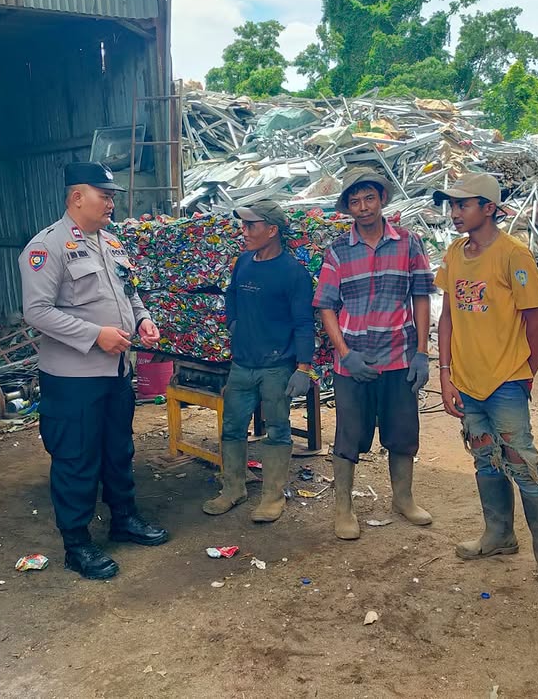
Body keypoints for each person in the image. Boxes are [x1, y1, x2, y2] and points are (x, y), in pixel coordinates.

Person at [19, 162, 169, 580]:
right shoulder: (45, 247)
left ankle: (124, 519)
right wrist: (94, 334)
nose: (111, 201)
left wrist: (143, 320)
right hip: (73, 380)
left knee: (118, 450)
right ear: (76, 198)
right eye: (103, 194)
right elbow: (37, 312)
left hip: (117, 371)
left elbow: (130, 294)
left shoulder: (112, 243)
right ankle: (77, 544)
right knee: (76, 458)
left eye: (113, 195)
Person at [432, 173, 538, 592]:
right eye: (452, 206)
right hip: (468, 381)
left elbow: (537, 324)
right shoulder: (456, 254)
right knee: (484, 457)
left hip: (507, 380)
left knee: (522, 462)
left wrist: (526, 375)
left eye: (464, 205)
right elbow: (449, 317)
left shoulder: (514, 255)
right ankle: (499, 535)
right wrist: (445, 374)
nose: (455, 213)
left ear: (488, 208)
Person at [313, 167, 434, 541]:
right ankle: (344, 507)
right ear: (347, 208)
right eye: (354, 201)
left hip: (398, 357)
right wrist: (345, 353)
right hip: (354, 363)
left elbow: (421, 296)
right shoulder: (338, 251)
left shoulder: (409, 243)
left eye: (369, 198)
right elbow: (326, 306)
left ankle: (404, 498)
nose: (363, 207)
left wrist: (421, 352)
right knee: (349, 435)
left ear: (382, 200)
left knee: (402, 433)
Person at [202, 201, 316, 522]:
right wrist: (233, 322)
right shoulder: (243, 262)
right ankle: (233, 488)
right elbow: (232, 295)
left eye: (251, 226)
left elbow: (304, 323)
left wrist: (303, 367)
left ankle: (272, 497)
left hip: (276, 367)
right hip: (242, 364)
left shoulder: (293, 273)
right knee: (232, 427)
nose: (244, 231)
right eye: (243, 225)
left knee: (278, 430)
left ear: (272, 230)